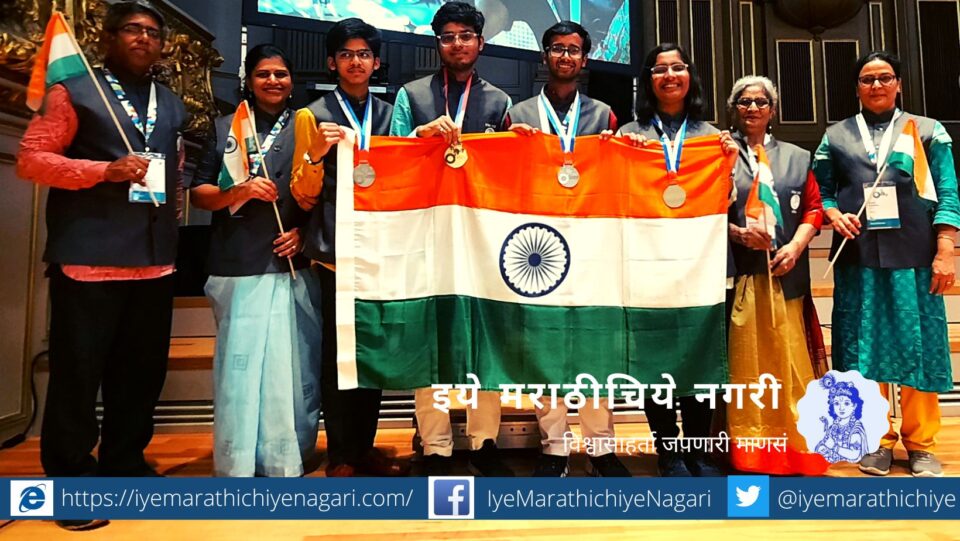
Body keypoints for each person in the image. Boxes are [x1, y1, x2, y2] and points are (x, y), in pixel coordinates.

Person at [16, 0, 185, 530]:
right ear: (109, 37)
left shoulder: (172, 101)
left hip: (154, 260)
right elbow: (31, 159)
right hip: (88, 259)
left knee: (139, 376)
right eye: (133, 30)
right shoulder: (74, 91)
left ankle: (124, 464)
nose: (144, 39)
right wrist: (104, 170)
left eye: (153, 33)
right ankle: (69, 480)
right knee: (77, 375)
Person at [814, 51, 960, 478]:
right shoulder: (835, 136)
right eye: (866, 79)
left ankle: (921, 444)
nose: (876, 85)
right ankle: (875, 439)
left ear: (898, 84)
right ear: (856, 88)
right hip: (859, 260)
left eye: (884, 77)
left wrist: (946, 249)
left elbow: (948, 192)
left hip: (914, 257)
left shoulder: (928, 131)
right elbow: (819, 191)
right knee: (864, 348)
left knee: (918, 346)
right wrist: (831, 213)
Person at [389, 1, 514, 477]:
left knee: (485, 340)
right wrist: (420, 135)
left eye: (465, 35)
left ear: (480, 43)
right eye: (448, 36)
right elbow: (390, 160)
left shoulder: (499, 102)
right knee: (430, 340)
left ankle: (484, 442)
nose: (457, 44)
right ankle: (437, 444)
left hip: (481, 240)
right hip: (425, 233)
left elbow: (508, 174)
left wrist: (517, 143)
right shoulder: (411, 96)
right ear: (436, 43)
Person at [191, 44, 322, 477]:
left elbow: (329, 196)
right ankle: (237, 459)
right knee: (239, 367)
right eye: (263, 73)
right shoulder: (226, 127)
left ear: (291, 82)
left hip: (293, 263)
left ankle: (288, 456)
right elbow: (200, 193)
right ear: (248, 80)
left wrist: (304, 233)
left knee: (293, 366)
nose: (273, 81)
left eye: (281, 74)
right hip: (237, 262)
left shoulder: (310, 126)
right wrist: (240, 191)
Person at [502, 21, 626, 477]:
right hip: (537, 249)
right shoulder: (517, 115)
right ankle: (553, 446)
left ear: (585, 59)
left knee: (595, 349)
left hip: (590, 245)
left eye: (574, 50)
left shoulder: (604, 115)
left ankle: (600, 446)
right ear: (544, 56)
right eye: (557, 49)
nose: (566, 57)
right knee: (544, 350)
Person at [289, 17, 407, 477]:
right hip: (334, 252)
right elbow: (302, 193)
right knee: (337, 357)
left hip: (380, 253)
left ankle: (364, 447)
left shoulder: (390, 114)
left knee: (371, 356)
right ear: (331, 62)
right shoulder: (313, 114)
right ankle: (340, 452)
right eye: (346, 54)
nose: (355, 62)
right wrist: (317, 153)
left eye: (363, 54)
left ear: (376, 62)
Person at [613, 43, 738, 477]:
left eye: (678, 68)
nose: (670, 76)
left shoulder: (712, 137)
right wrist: (615, 155)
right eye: (660, 69)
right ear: (648, 80)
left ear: (690, 77)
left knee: (701, 359)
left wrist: (729, 163)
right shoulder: (630, 135)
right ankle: (668, 450)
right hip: (647, 269)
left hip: (702, 268)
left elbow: (728, 202)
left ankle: (699, 451)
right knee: (656, 363)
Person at [724, 75, 829, 475]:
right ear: (734, 108)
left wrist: (796, 246)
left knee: (793, 367)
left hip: (787, 277)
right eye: (745, 102)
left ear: (773, 109)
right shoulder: (721, 152)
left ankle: (798, 449)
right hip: (743, 279)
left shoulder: (798, 156)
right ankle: (749, 454)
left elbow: (814, 210)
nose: (753, 108)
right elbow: (703, 211)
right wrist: (736, 234)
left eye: (762, 102)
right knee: (746, 368)